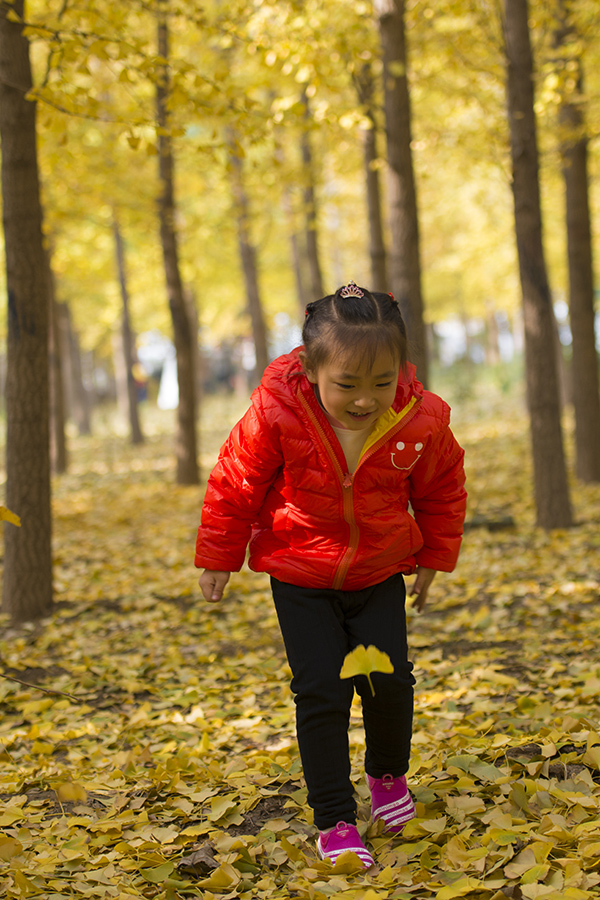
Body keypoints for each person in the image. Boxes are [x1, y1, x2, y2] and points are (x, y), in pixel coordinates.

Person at [196, 282, 467, 869]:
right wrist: (219, 554)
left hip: (378, 571)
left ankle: (388, 778)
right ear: (312, 369)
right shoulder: (276, 411)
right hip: (301, 574)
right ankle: (335, 818)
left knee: (387, 681)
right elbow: (235, 479)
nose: (366, 399)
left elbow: (441, 489)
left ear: (402, 369)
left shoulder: (421, 420)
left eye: (381, 382)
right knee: (322, 690)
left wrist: (435, 560)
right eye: (347, 385)